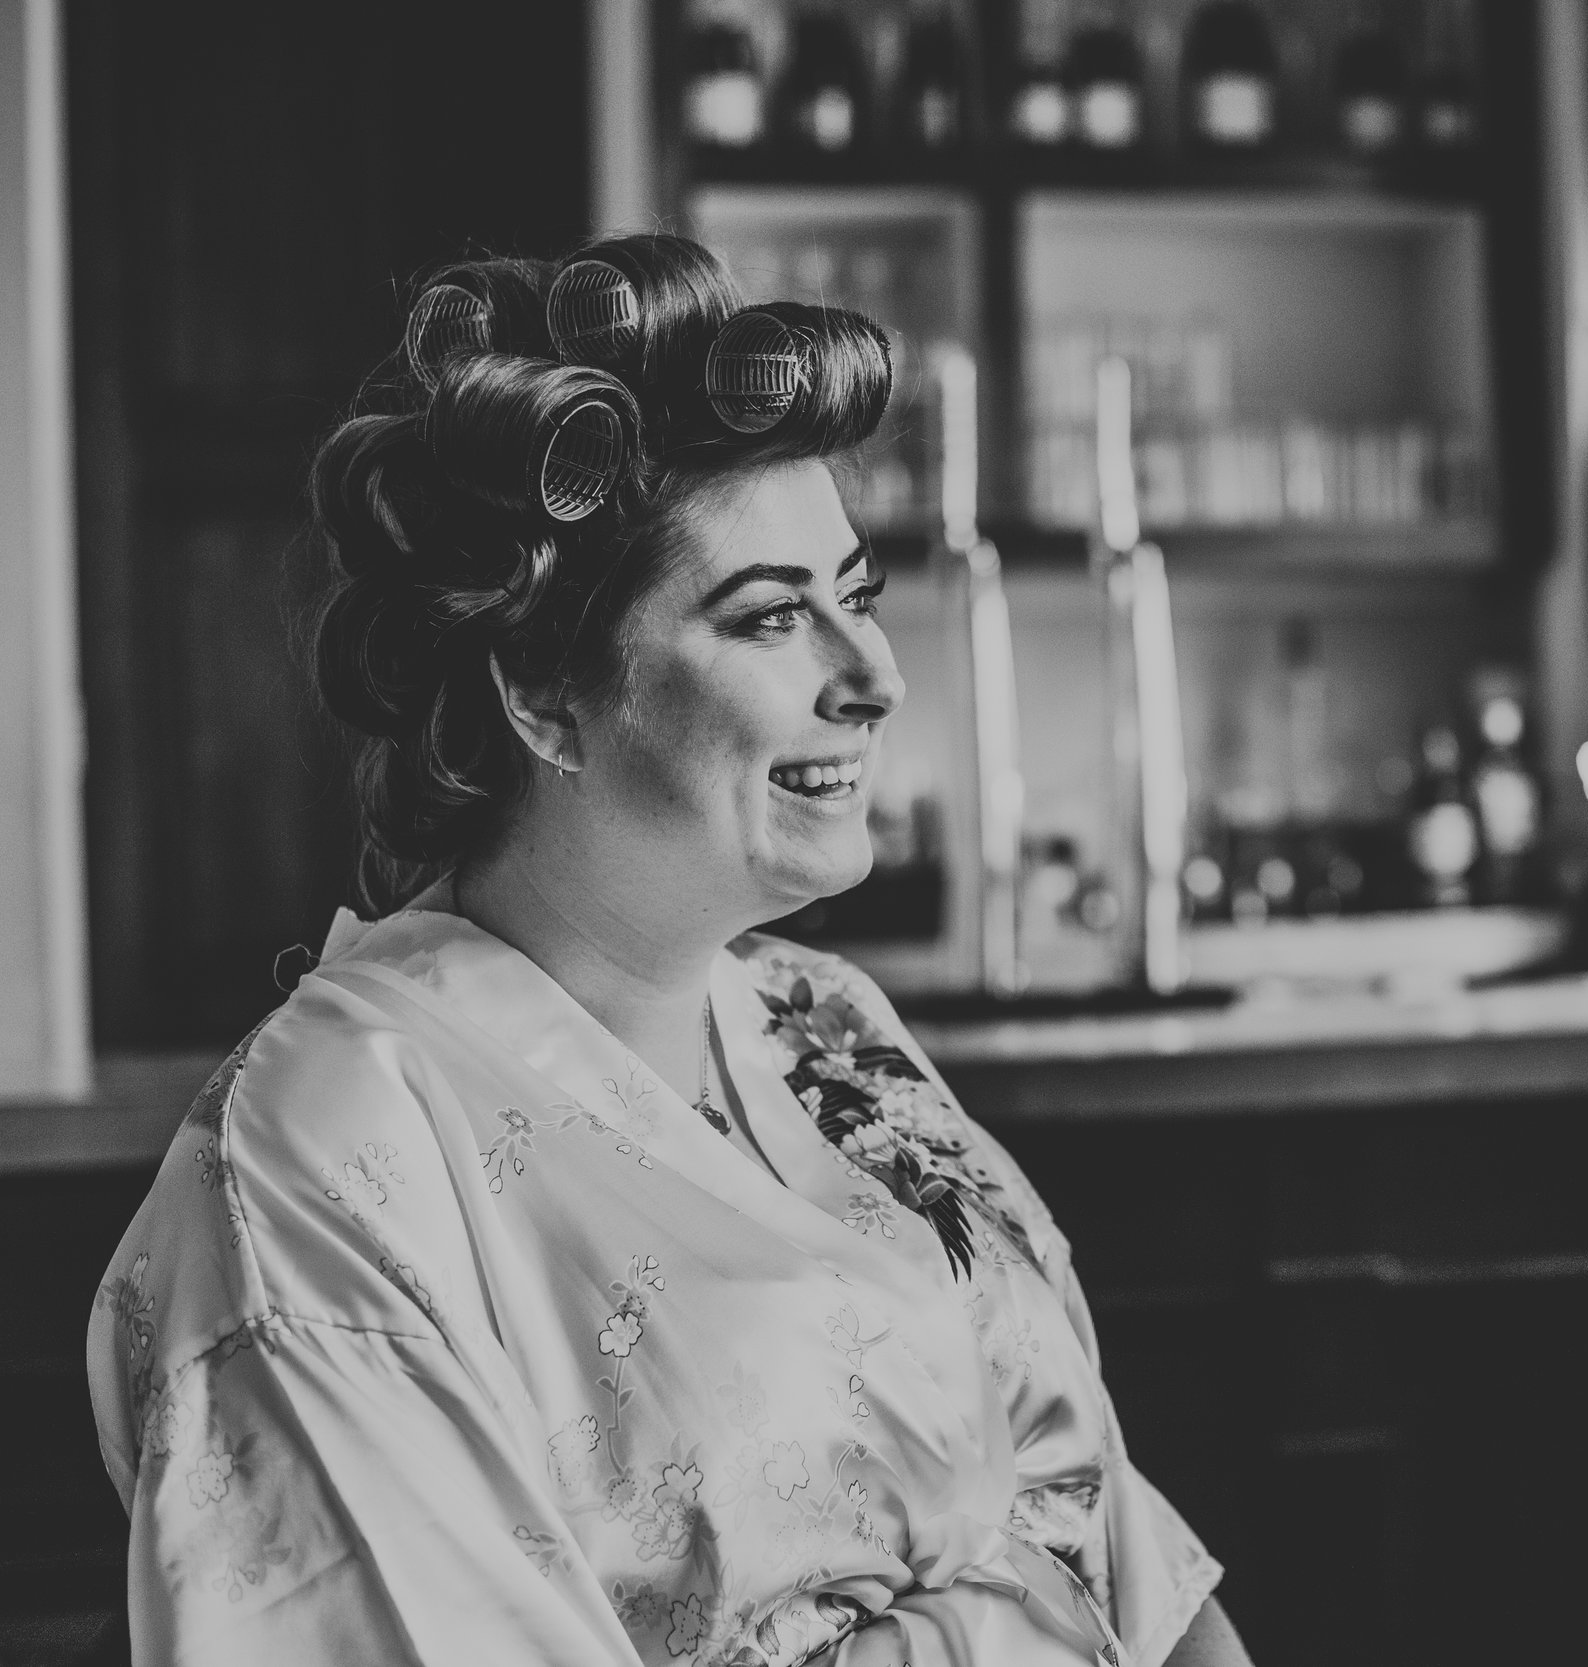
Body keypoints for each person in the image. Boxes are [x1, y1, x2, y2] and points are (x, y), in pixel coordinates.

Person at [86, 235, 1245, 1667]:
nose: (871, 676)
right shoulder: (331, 1147)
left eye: (856, 595)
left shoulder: (826, 1022)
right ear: (546, 699)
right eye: (770, 617)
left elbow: (1115, 1534)